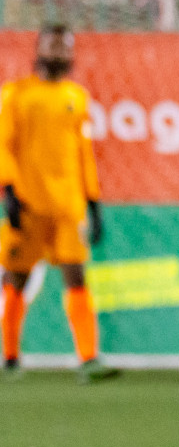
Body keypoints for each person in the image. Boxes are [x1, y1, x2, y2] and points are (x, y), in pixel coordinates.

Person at [1, 25, 118, 382]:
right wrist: (8, 191)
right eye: (53, 45)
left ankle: (88, 358)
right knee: (16, 279)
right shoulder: (16, 95)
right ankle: (9, 357)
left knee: (76, 278)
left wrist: (93, 204)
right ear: (38, 49)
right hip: (30, 203)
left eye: (65, 46)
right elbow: (4, 146)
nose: (59, 52)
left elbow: (84, 155)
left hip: (68, 207)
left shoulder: (76, 97)